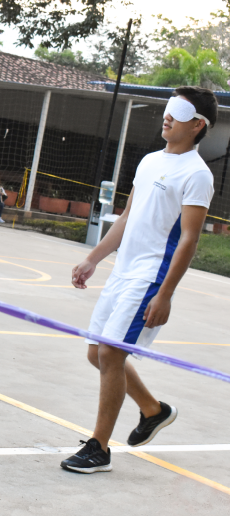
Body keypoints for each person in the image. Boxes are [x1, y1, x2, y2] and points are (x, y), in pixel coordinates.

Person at [61, 86, 218, 473]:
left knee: (111, 353)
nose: (167, 116)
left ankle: (99, 447)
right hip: (123, 272)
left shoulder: (198, 174)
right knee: (95, 353)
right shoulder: (149, 161)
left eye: (178, 111)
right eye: (167, 108)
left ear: (198, 124)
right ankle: (153, 410)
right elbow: (127, 217)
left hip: (150, 277)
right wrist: (94, 258)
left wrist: (165, 295)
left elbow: (189, 239)